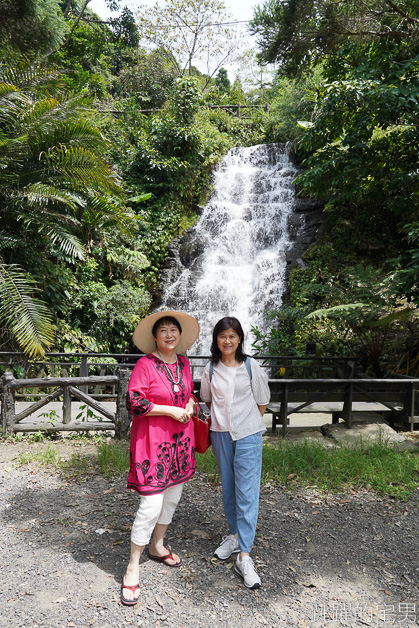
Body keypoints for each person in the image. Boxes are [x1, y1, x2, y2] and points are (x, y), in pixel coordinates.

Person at [121, 310, 199, 606]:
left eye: (173, 330)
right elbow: (135, 401)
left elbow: (188, 393)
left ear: (180, 337)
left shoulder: (183, 362)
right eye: (163, 330)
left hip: (181, 442)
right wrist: (169, 411)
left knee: (172, 497)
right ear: (155, 337)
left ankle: (158, 545)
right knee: (151, 504)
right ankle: (132, 565)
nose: (169, 334)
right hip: (153, 442)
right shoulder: (145, 364)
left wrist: (190, 405)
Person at [200, 316, 270, 589]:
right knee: (228, 489)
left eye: (232, 336)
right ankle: (234, 536)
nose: (227, 341)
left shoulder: (251, 367)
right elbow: (207, 399)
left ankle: (244, 555)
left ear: (239, 338)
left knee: (247, 493)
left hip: (248, 435)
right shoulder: (210, 368)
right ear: (216, 340)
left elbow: (262, 402)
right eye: (222, 336)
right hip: (219, 435)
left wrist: (246, 422)